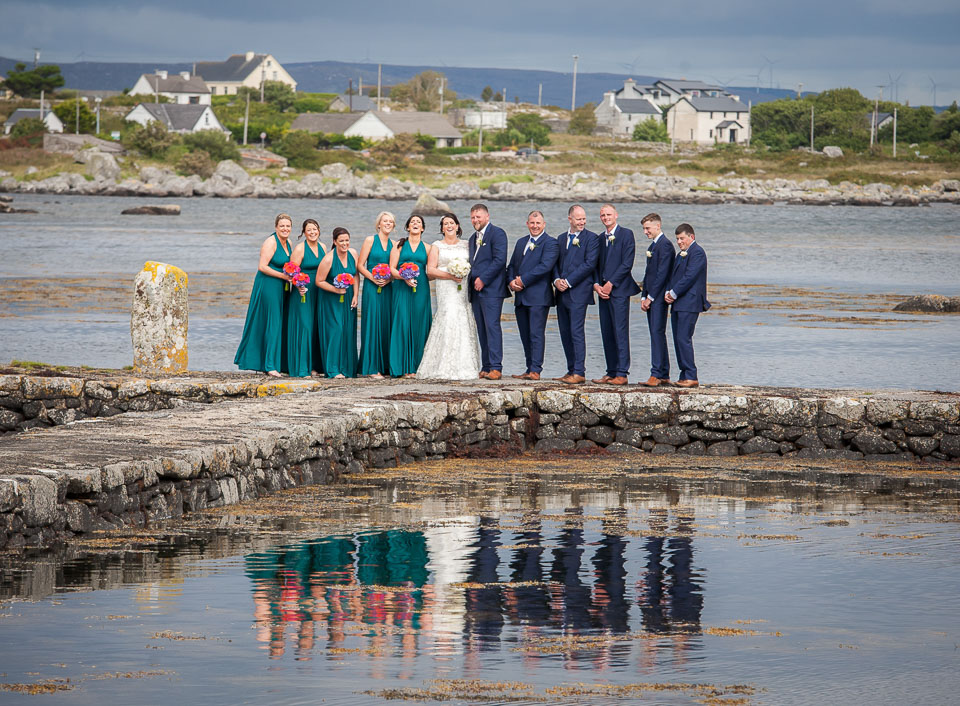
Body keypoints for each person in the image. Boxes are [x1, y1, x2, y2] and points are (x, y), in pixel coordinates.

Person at [416, 213, 482, 380]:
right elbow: (430, 270)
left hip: (462, 289)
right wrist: (450, 276)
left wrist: (463, 274)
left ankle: (465, 365)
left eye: (452, 223)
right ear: (442, 228)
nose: (449, 226)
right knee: (448, 316)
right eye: (446, 224)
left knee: (463, 318)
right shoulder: (437, 246)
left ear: (458, 226)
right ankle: (443, 365)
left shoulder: (467, 244)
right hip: (446, 288)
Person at [235, 213, 295, 377]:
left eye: (288, 226)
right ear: (276, 227)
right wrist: (283, 276)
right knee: (272, 323)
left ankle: (273, 362)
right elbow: (262, 266)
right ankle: (270, 366)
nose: (285, 229)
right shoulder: (270, 242)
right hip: (268, 285)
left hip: (281, 286)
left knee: (278, 323)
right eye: (282, 226)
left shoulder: (288, 242)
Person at [507, 210, 559, 380]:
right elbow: (512, 265)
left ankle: (536, 370)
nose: (535, 226)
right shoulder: (521, 242)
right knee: (524, 334)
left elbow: (545, 267)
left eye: (538, 223)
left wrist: (522, 281)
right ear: (527, 224)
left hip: (538, 296)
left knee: (536, 333)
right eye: (532, 223)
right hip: (521, 297)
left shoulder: (550, 243)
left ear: (544, 225)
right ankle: (529, 368)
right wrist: (511, 282)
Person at [593, 204, 641, 385]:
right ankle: (611, 371)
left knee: (620, 330)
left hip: (619, 290)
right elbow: (595, 265)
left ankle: (622, 372)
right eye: (603, 215)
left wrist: (611, 284)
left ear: (616, 215)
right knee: (606, 331)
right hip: (602, 292)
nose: (606, 218)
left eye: (608, 214)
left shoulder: (626, 234)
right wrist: (597, 285)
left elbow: (627, 263)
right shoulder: (599, 238)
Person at [553, 204, 600, 384]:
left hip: (579, 292)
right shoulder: (560, 238)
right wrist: (557, 280)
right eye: (579, 219)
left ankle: (579, 372)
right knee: (565, 331)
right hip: (561, 292)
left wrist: (569, 281)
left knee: (576, 331)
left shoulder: (592, 239)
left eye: (584, 219)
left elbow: (589, 264)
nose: (582, 222)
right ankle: (570, 369)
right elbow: (555, 263)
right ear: (570, 219)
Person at [665, 223, 710, 388]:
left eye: (682, 238)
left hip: (690, 302)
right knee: (678, 339)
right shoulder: (681, 254)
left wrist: (674, 293)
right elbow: (675, 276)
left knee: (684, 338)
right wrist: (668, 291)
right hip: (678, 303)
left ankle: (691, 375)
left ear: (692, 237)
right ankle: (684, 375)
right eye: (677, 238)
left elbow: (690, 276)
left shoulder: (697, 252)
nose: (679, 242)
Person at [467, 203, 509, 380]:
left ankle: (496, 367)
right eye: (473, 217)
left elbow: (500, 260)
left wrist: (483, 279)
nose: (476, 220)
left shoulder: (497, 233)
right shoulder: (471, 238)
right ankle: (485, 366)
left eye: (479, 217)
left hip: (492, 289)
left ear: (487, 217)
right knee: (482, 328)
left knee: (492, 327)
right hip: (475, 290)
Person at [388, 214, 432, 377]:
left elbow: (431, 271)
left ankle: (418, 366)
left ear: (422, 228)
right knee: (402, 322)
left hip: (421, 290)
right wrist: (404, 277)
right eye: (412, 222)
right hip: (401, 288)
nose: (415, 224)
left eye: (418, 222)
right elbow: (391, 269)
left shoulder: (428, 248)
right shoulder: (399, 245)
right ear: (407, 227)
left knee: (419, 324)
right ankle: (401, 366)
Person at [639, 213, 676, 387]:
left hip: (660, 298)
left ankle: (657, 374)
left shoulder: (666, 246)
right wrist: (643, 295)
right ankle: (663, 373)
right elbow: (649, 274)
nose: (645, 232)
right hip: (651, 297)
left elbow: (662, 275)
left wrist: (651, 298)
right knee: (656, 334)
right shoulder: (653, 246)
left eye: (648, 228)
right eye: (644, 229)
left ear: (658, 226)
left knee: (657, 333)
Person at [357, 211, 396, 378]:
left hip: (388, 287)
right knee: (373, 323)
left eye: (391, 222)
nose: (387, 224)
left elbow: (395, 268)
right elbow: (360, 265)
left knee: (386, 323)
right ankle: (372, 367)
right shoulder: (370, 240)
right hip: (372, 287)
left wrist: (389, 280)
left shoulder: (395, 244)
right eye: (385, 221)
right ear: (379, 224)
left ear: (393, 226)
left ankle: (386, 365)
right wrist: (373, 278)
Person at [316, 227, 358, 378]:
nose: (345, 243)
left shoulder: (353, 253)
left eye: (347, 240)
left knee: (347, 330)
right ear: (334, 241)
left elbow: (356, 275)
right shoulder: (328, 259)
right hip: (331, 299)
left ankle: (348, 368)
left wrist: (356, 295)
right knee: (336, 330)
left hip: (348, 298)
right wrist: (335, 290)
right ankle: (333, 369)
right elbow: (319, 281)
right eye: (341, 241)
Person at [285, 218, 326, 377]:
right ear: (304, 232)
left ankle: (314, 366)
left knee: (316, 327)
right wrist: (298, 286)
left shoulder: (323, 247)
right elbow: (292, 272)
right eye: (309, 230)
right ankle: (301, 367)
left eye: (315, 229)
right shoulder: (300, 249)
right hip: (303, 292)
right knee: (305, 327)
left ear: (319, 230)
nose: (312, 232)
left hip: (319, 291)